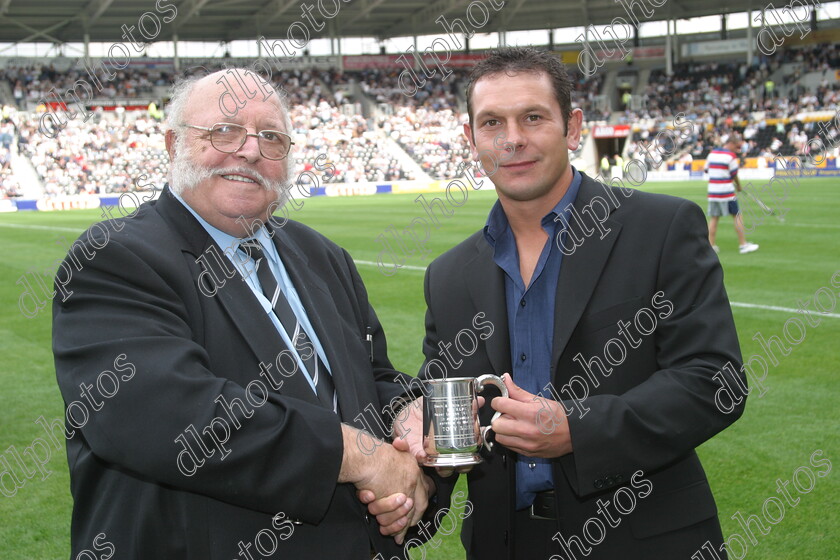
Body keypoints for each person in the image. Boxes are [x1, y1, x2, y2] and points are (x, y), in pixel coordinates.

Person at [368, 47, 747, 559]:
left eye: (532, 117)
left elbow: (714, 380)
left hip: (642, 541)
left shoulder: (660, 228)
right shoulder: (449, 276)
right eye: (492, 123)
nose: (513, 139)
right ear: (471, 139)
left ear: (571, 128)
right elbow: (453, 420)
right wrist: (418, 466)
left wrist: (578, 430)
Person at [52, 68, 430, 559]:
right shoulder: (115, 257)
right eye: (225, 131)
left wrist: (408, 420)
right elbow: (171, 416)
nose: (250, 151)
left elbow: (367, 375)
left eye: (271, 137)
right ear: (173, 145)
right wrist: (358, 457)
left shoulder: (322, 256)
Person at [705, 133, 760, 254]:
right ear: (731, 143)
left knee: (714, 218)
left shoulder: (711, 154)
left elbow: (707, 170)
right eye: (737, 147)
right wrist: (739, 186)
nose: (738, 150)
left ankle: (711, 246)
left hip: (713, 192)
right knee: (737, 216)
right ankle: (743, 245)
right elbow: (734, 175)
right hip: (726, 192)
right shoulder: (730, 156)